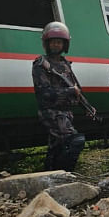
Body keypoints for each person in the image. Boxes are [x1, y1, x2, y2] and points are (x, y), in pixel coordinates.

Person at [31, 21, 86, 171]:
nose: (56, 45)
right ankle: (66, 174)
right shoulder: (41, 64)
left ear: (64, 45)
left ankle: (50, 175)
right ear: (47, 44)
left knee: (56, 146)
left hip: (66, 111)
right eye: (53, 42)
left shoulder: (65, 63)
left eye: (59, 42)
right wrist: (69, 91)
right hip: (51, 112)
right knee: (75, 140)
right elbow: (44, 92)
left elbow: (76, 87)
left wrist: (86, 105)